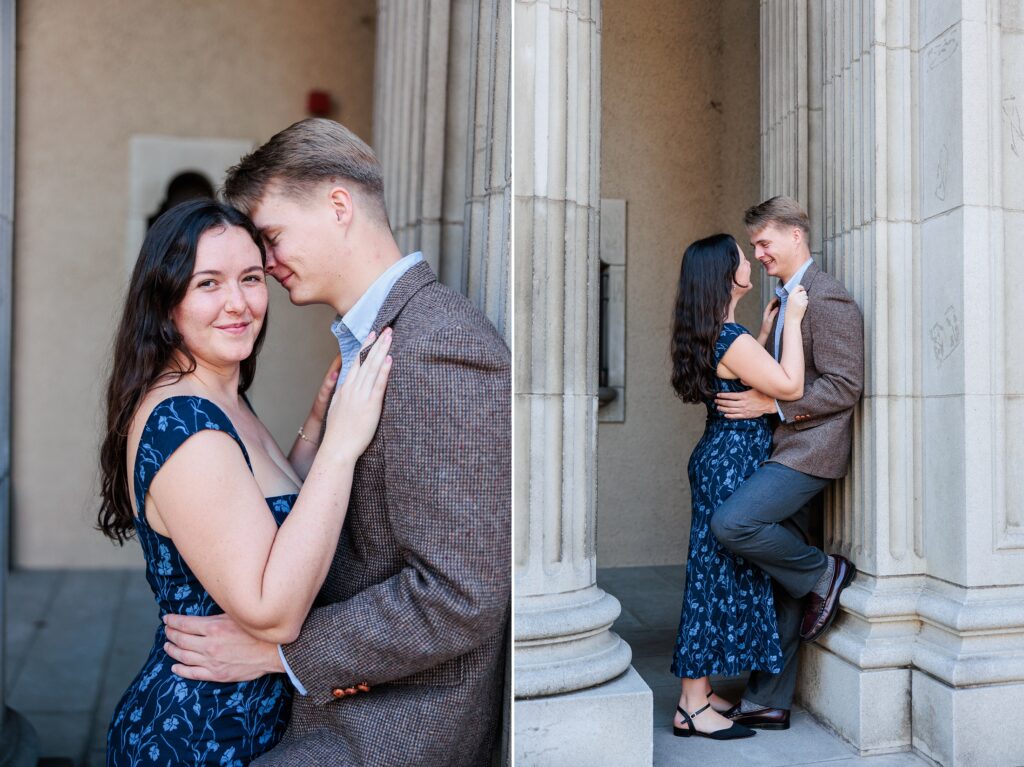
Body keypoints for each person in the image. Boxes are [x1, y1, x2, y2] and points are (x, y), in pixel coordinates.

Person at [160, 119, 511, 766]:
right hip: (335, 707)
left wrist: (281, 652)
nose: (266, 265)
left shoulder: (438, 346)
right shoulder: (375, 339)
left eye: (271, 238)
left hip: (388, 730)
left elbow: (461, 595)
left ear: (339, 205)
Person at [99, 198, 393, 765]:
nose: (238, 303)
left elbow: (264, 522)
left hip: (243, 725)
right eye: (208, 283)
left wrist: (315, 428)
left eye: (251, 278)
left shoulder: (220, 394)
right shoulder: (186, 425)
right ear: (166, 303)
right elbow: (273, 609)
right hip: (197, 736)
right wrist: (341, 447)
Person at [712, 196, 864, 731]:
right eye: (754, 246)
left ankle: (824, 573)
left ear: (795, 235)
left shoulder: (827, 297)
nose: (758, 254)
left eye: (764, 243)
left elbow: (845, 385)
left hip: (809, 451)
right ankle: (767, 700)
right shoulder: (782, 301)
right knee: (780, 579)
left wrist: (772, 407)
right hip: (781, 448)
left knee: (733, 524)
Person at [668, 232, 808, 740]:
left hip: (717, 456)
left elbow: (747, 375)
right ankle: (691, 704)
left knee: (718, 576)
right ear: (727, 273)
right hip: (730, 462)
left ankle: (700, 693)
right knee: (711, 583)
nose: (751, 261)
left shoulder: (718, 333)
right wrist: (792, 321)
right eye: (742, 256)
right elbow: (791, 386)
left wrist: (764, 331)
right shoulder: (730, 339)